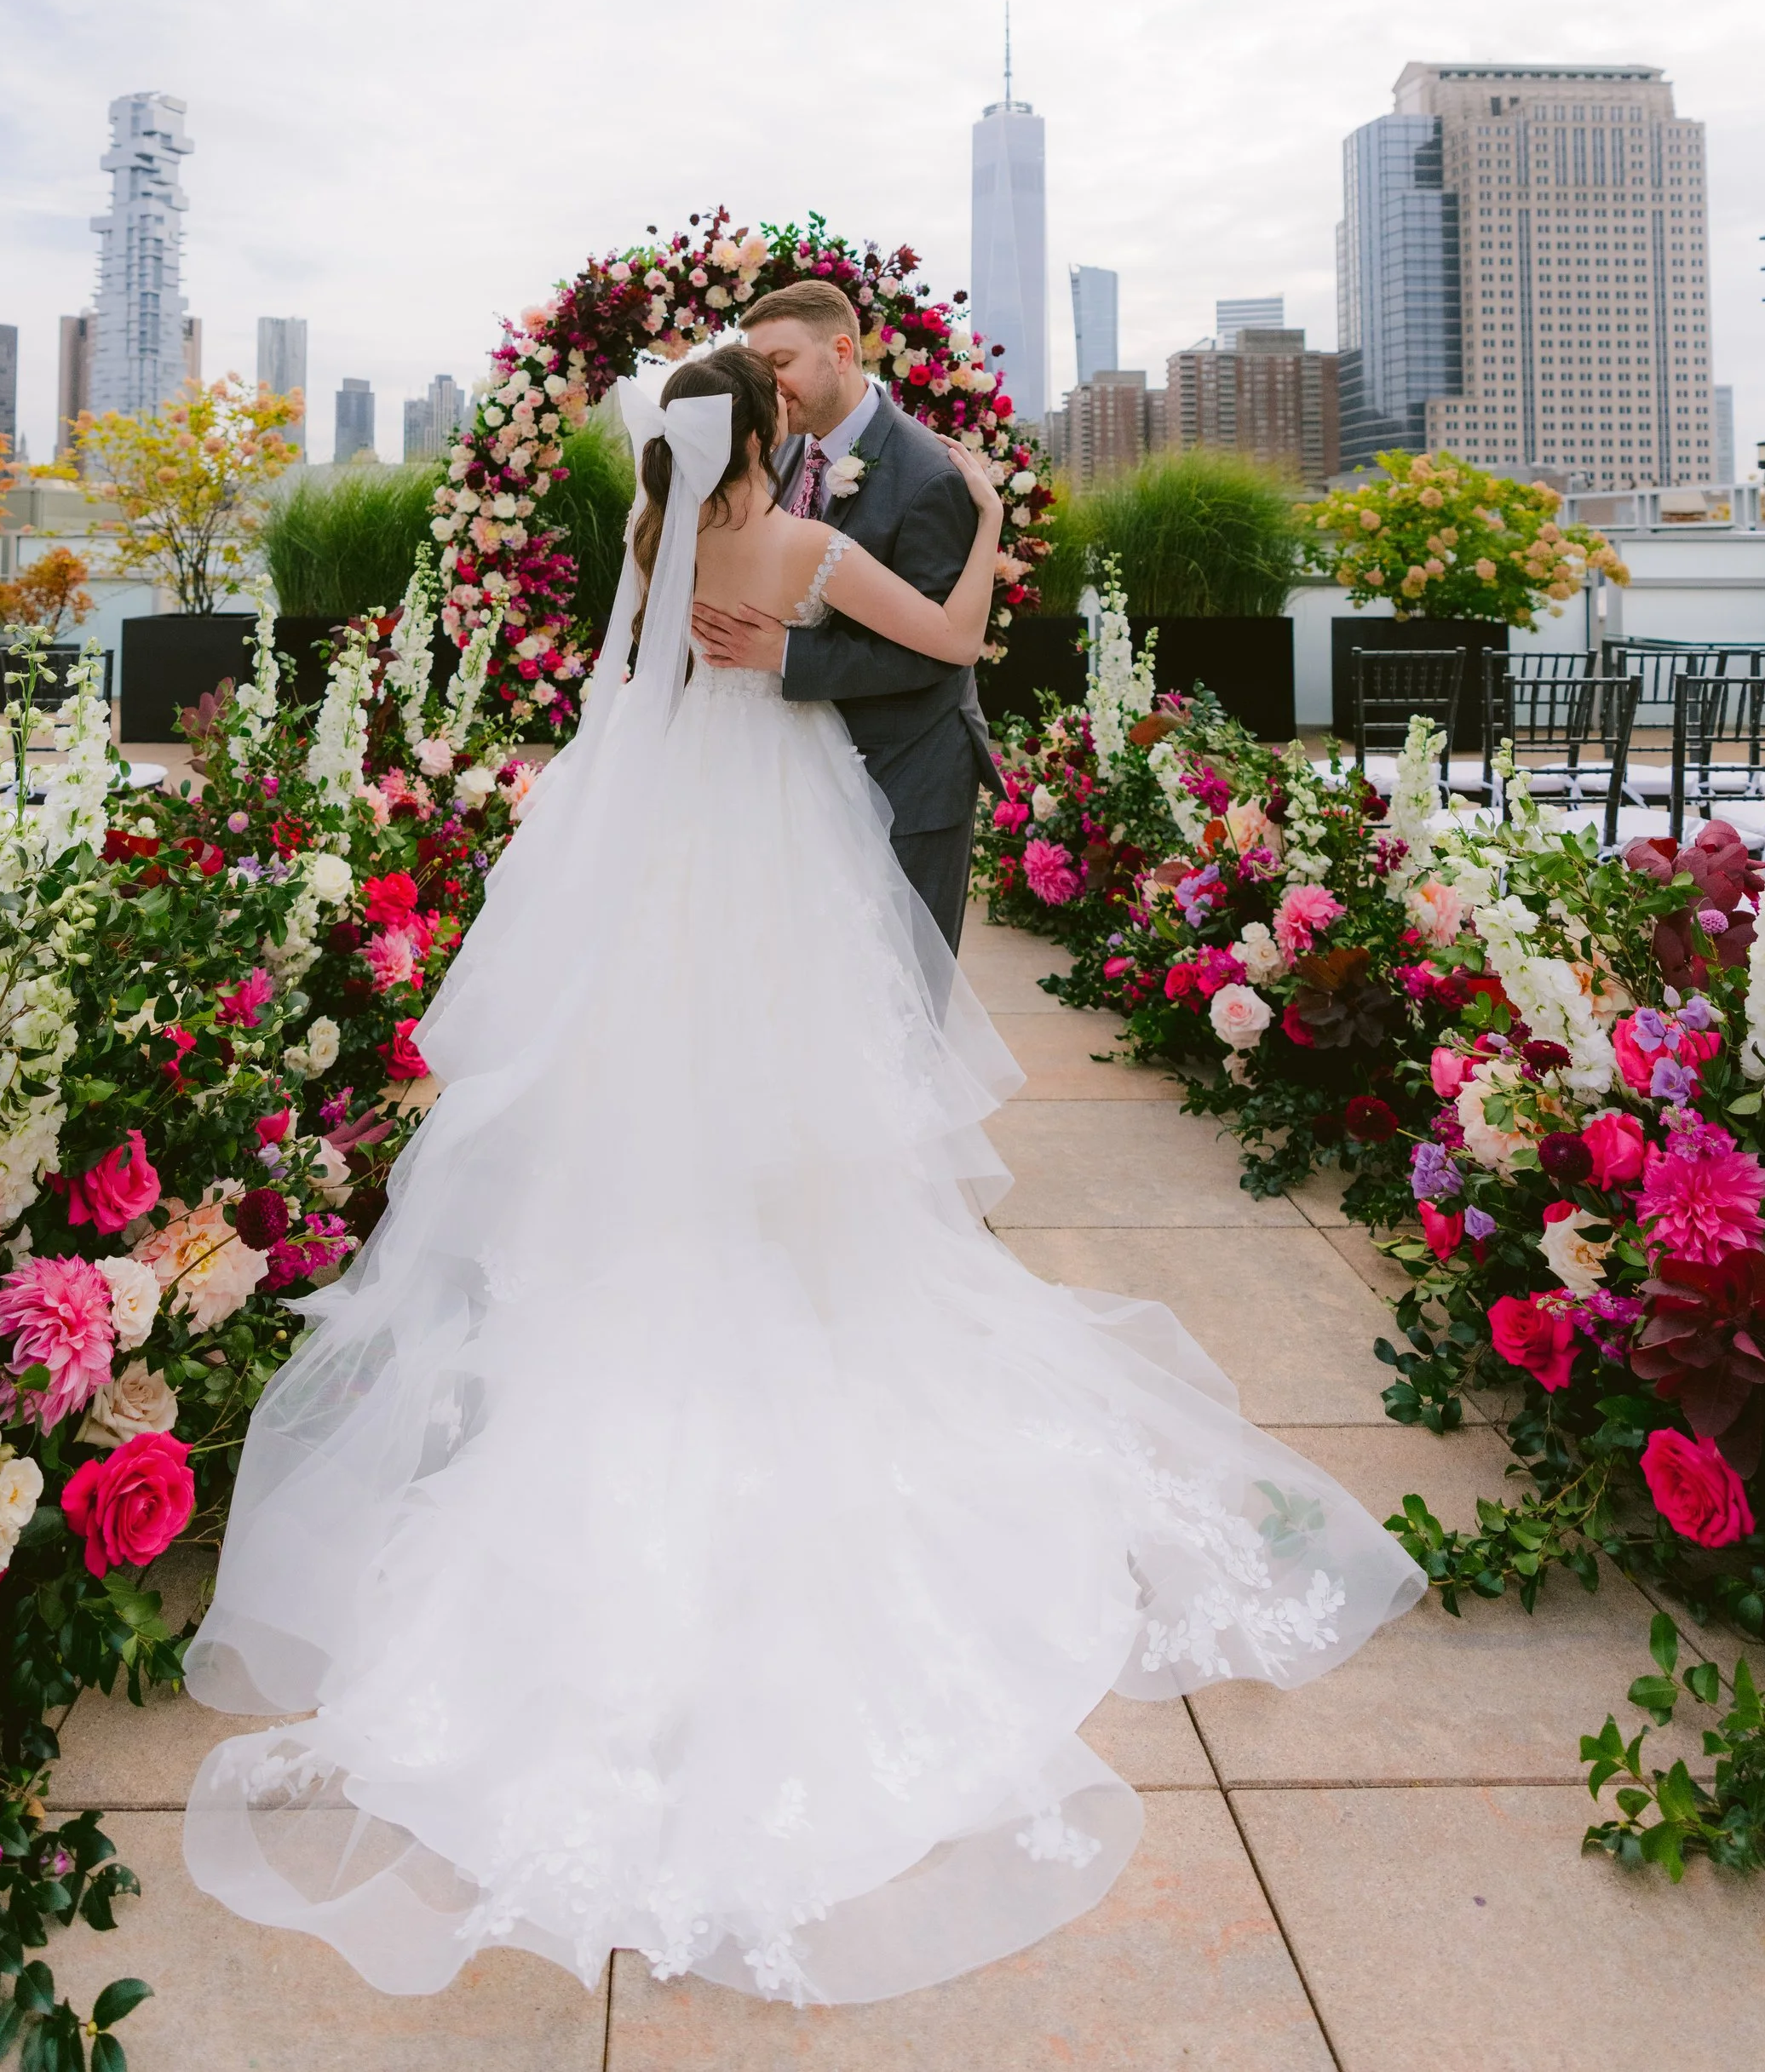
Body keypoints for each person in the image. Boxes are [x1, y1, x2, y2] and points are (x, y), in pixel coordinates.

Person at [182, 346, 1422, 2009]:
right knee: (798, 1108)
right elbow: (963, 638)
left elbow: (618, 711)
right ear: (764, 438)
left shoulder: (653, 553)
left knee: (656, 1100)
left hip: (664, 854)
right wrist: (972, 521)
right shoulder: (806, 553)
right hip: (780, 840)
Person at [691, 278, 998, 951]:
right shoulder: (782, 451)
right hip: (809, 773)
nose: (770, 389)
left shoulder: (929, 476)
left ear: (841, 350)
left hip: (908, 768)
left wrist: (786, 656)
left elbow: (940, 649)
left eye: (779, 364)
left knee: (906, 996)